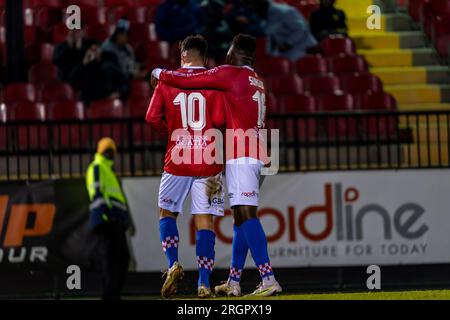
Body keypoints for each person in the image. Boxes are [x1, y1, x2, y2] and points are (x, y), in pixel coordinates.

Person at [152, 34, 282, 297]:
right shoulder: (258, 80)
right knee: (238, 220)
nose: (227, 56)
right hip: (257, 151)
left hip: (242, 153)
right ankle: (232, 281)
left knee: (246, 215)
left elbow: (189, 79)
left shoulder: (231, 73)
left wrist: (158, 72)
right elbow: (223, 117)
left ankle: (268, 278)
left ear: (239, 55)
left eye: (230, 52)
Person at [146, 35, 226, 299]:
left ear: (182, 54)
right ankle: (204, 282)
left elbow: (151, 117)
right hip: (209, 159)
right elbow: (220, 120)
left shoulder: (167, 81)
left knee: (167, 213)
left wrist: (172, 133)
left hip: (177, 157)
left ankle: (173, 264)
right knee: (205, 221)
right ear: (205, 57)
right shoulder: (216, 82)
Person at [85, 138, 131, 300]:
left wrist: (124, 219)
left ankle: (113, 294)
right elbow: (96, 195)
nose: (110, 153)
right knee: (111, 261)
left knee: (121, 259)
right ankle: (110, 295)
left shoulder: (109, 171)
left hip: (116, 222)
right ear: (100, 151)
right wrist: (107, 216)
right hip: (107, 221)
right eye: (107, 149)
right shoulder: (97, 167)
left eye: (112, 150)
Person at [249, 0, 317, 62]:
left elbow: (301, 29)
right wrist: (270, 54)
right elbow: (272, 37)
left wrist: (288, 43)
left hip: (303, 48)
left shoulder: (284, 11)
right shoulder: (264, 16)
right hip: (285, 51)